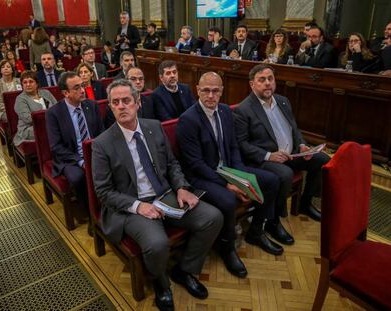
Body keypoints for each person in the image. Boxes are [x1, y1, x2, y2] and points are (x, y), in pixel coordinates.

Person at [92, 78, 223, 310]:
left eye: (126, 101)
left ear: (138, 102)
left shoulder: (153, 126)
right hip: (132, 205)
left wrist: (182, 187)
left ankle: (184, 271)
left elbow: (172, 164)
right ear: (110, 107)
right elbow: (103, 191)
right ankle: (162, 283)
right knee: (157, 244)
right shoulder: (103, 143)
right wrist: (138, 207)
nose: (121, 106)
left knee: (212, 217)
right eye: (115, 102)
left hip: (165, 195)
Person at [177, 72, 293, 272]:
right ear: (197, 90)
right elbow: (195, 164)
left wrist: (240, 177)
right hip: (202, 177)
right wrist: (227, 184)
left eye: (215, 91)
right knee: (229, 200)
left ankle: (256, 231)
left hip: (228, 169)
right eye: (206, 90)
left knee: (272, 180)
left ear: (222, 92)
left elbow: (233, 148)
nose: (211, 95)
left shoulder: (224, 111)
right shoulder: (188, 119)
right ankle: (227, 246)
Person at [233, 64, 331, 222]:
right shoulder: (243, 110)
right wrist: (269, 155)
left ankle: (305, 203)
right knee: (286, 174)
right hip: (267, 159)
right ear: (252, 84)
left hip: (292, 153)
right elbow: (241, 144)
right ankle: (275, 219)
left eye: (270, 79)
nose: (267, 83)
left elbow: (294, 129)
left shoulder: (282, 101)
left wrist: (301, 144)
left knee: (323, 160)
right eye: (262, 80)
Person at [46, 72, 104, 218]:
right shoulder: (54, 113)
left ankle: (110, 208)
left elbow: (101, 134)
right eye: (77, 88)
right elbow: (56, 147)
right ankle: (91, 214)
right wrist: (80, 161)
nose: (83, 90)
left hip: (95, 152)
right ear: (66, 93)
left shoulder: (91, 105)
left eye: (83, 86)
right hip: (71, 158)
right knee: (78, 177)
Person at [14, 71, 57, 147]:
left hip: (50, 124)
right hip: (29, 129)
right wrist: (51, 119)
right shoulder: (20, 99)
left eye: (31, 81)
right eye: (25, 82)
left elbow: (57, 108)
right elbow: (28, 119)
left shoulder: (46, 93)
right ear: (22, 85)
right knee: (51, 130)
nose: (28, 84)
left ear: (37, 84)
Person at [0, 60, 22, 124]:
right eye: (3, 67)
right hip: (4, 111)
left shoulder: (19, 81)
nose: (6, 68)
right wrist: (13, 111)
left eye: (8, 66)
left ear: (12, 70)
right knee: (13, 117)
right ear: (0, 71)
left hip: (21, 108)